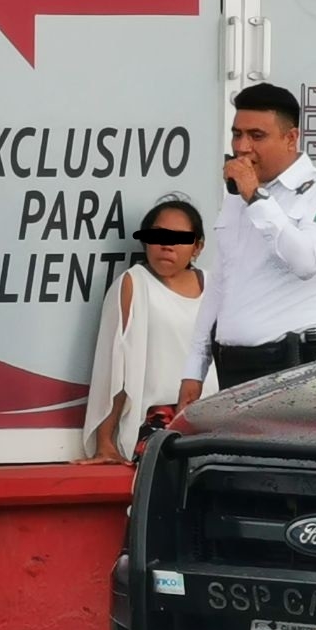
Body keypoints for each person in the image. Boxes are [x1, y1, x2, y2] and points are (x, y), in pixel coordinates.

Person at [177, 82, 316, 409]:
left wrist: (256, 198)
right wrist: (195, 367)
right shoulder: (240, 194)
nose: (242, 146)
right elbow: (220, 281)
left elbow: (306, 261)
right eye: (236, 134)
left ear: (291, 138)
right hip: (231, 367)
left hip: (295, 370)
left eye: (256, 136)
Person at [78, 198, 219, 464]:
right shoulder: (134, 284)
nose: (167, 246)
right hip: (156, 421)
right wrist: (105, 442)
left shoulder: (215, 288)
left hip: (213, 418)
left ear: (197, 247)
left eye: (180, 238)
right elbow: (116, 366)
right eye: (158, 236)